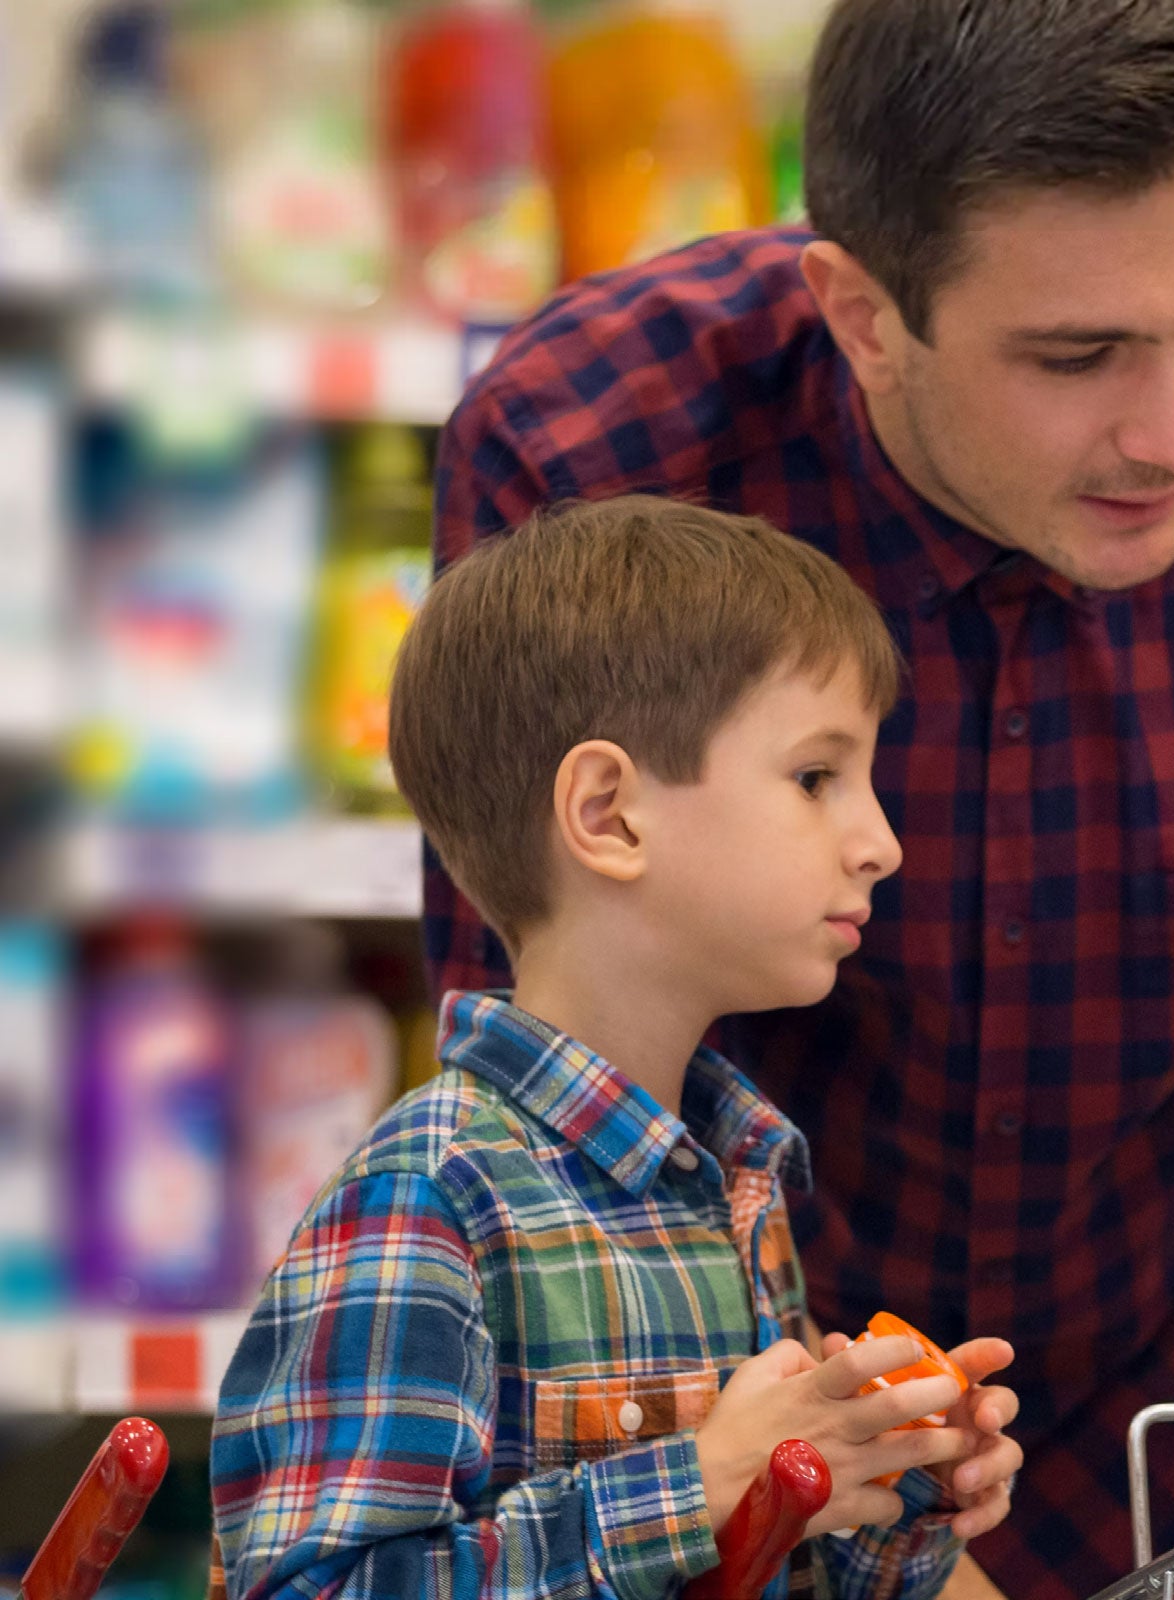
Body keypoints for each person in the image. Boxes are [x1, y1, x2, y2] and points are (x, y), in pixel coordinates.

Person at [425, 0, 1174, 1589]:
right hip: (747, 1403)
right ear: (858, 313)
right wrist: (863, 1476)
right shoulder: (604, 455)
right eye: (1076, 356)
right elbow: (548, 1108)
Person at [210, 498, 1022, 1600]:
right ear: (610, 814)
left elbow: (760, 1569)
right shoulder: (435, 1194)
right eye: (816, 778)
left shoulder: (737, 1181)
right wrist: (702, 1480)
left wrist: (892, 1480)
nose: (880, 842)